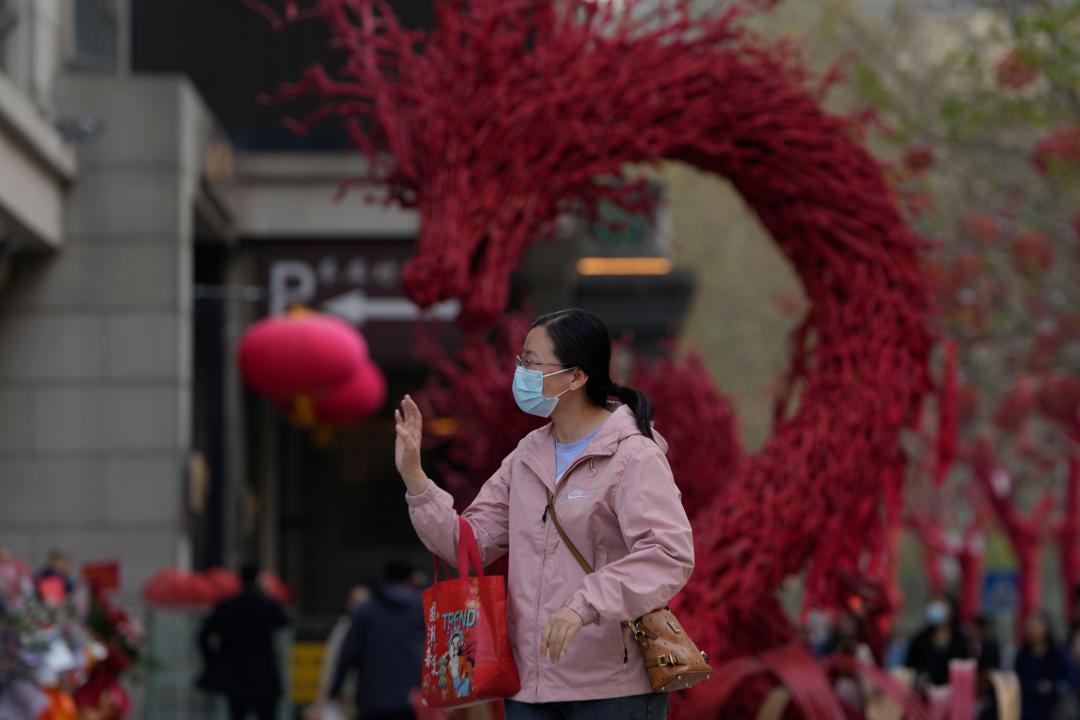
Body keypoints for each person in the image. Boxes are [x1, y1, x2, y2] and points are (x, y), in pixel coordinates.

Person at [394, 308, 695, 719]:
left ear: (576, 376)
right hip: (529, 689)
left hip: (612, 690)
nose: (521, 373)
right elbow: (468, 543)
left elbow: (668, 553)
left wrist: (583, 605)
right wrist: (415, 478)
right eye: (522, 361)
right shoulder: (526, 456)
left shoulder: (632, 455)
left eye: (532, 362)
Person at [327, 561, 424, 720]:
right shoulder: (420, 608)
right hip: (411, 698)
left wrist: (334, 689)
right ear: (410, 579)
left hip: (372, 700)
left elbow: (349, 653)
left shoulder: (366, 610)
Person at [197, 564, 289, 720]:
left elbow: (203, 636)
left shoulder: (227, 606)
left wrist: (213, 660)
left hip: (236, 673)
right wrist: (267, 594)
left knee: (237, 713)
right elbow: (283, 620)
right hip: (264, 674)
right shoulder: (266, 605)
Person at [1014, 610, 1076, 720]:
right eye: (1030, 627)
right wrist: (1036, 687)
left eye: (1037, 626)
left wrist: (1051, 686)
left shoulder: (1058, 652)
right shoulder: (1022, 655)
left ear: (1046, 628)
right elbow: (1017, 682)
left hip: (1055, 707)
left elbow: (1071, 680)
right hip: (1028, 708)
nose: (1033, 630)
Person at [903, 594, 971, 690]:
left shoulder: (961, 639)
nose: (936, 607)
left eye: (941, 604)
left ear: (952, 609)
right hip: (924, 692)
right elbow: (910, 667)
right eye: (933, 603)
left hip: (953, 692)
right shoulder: (920, 638)